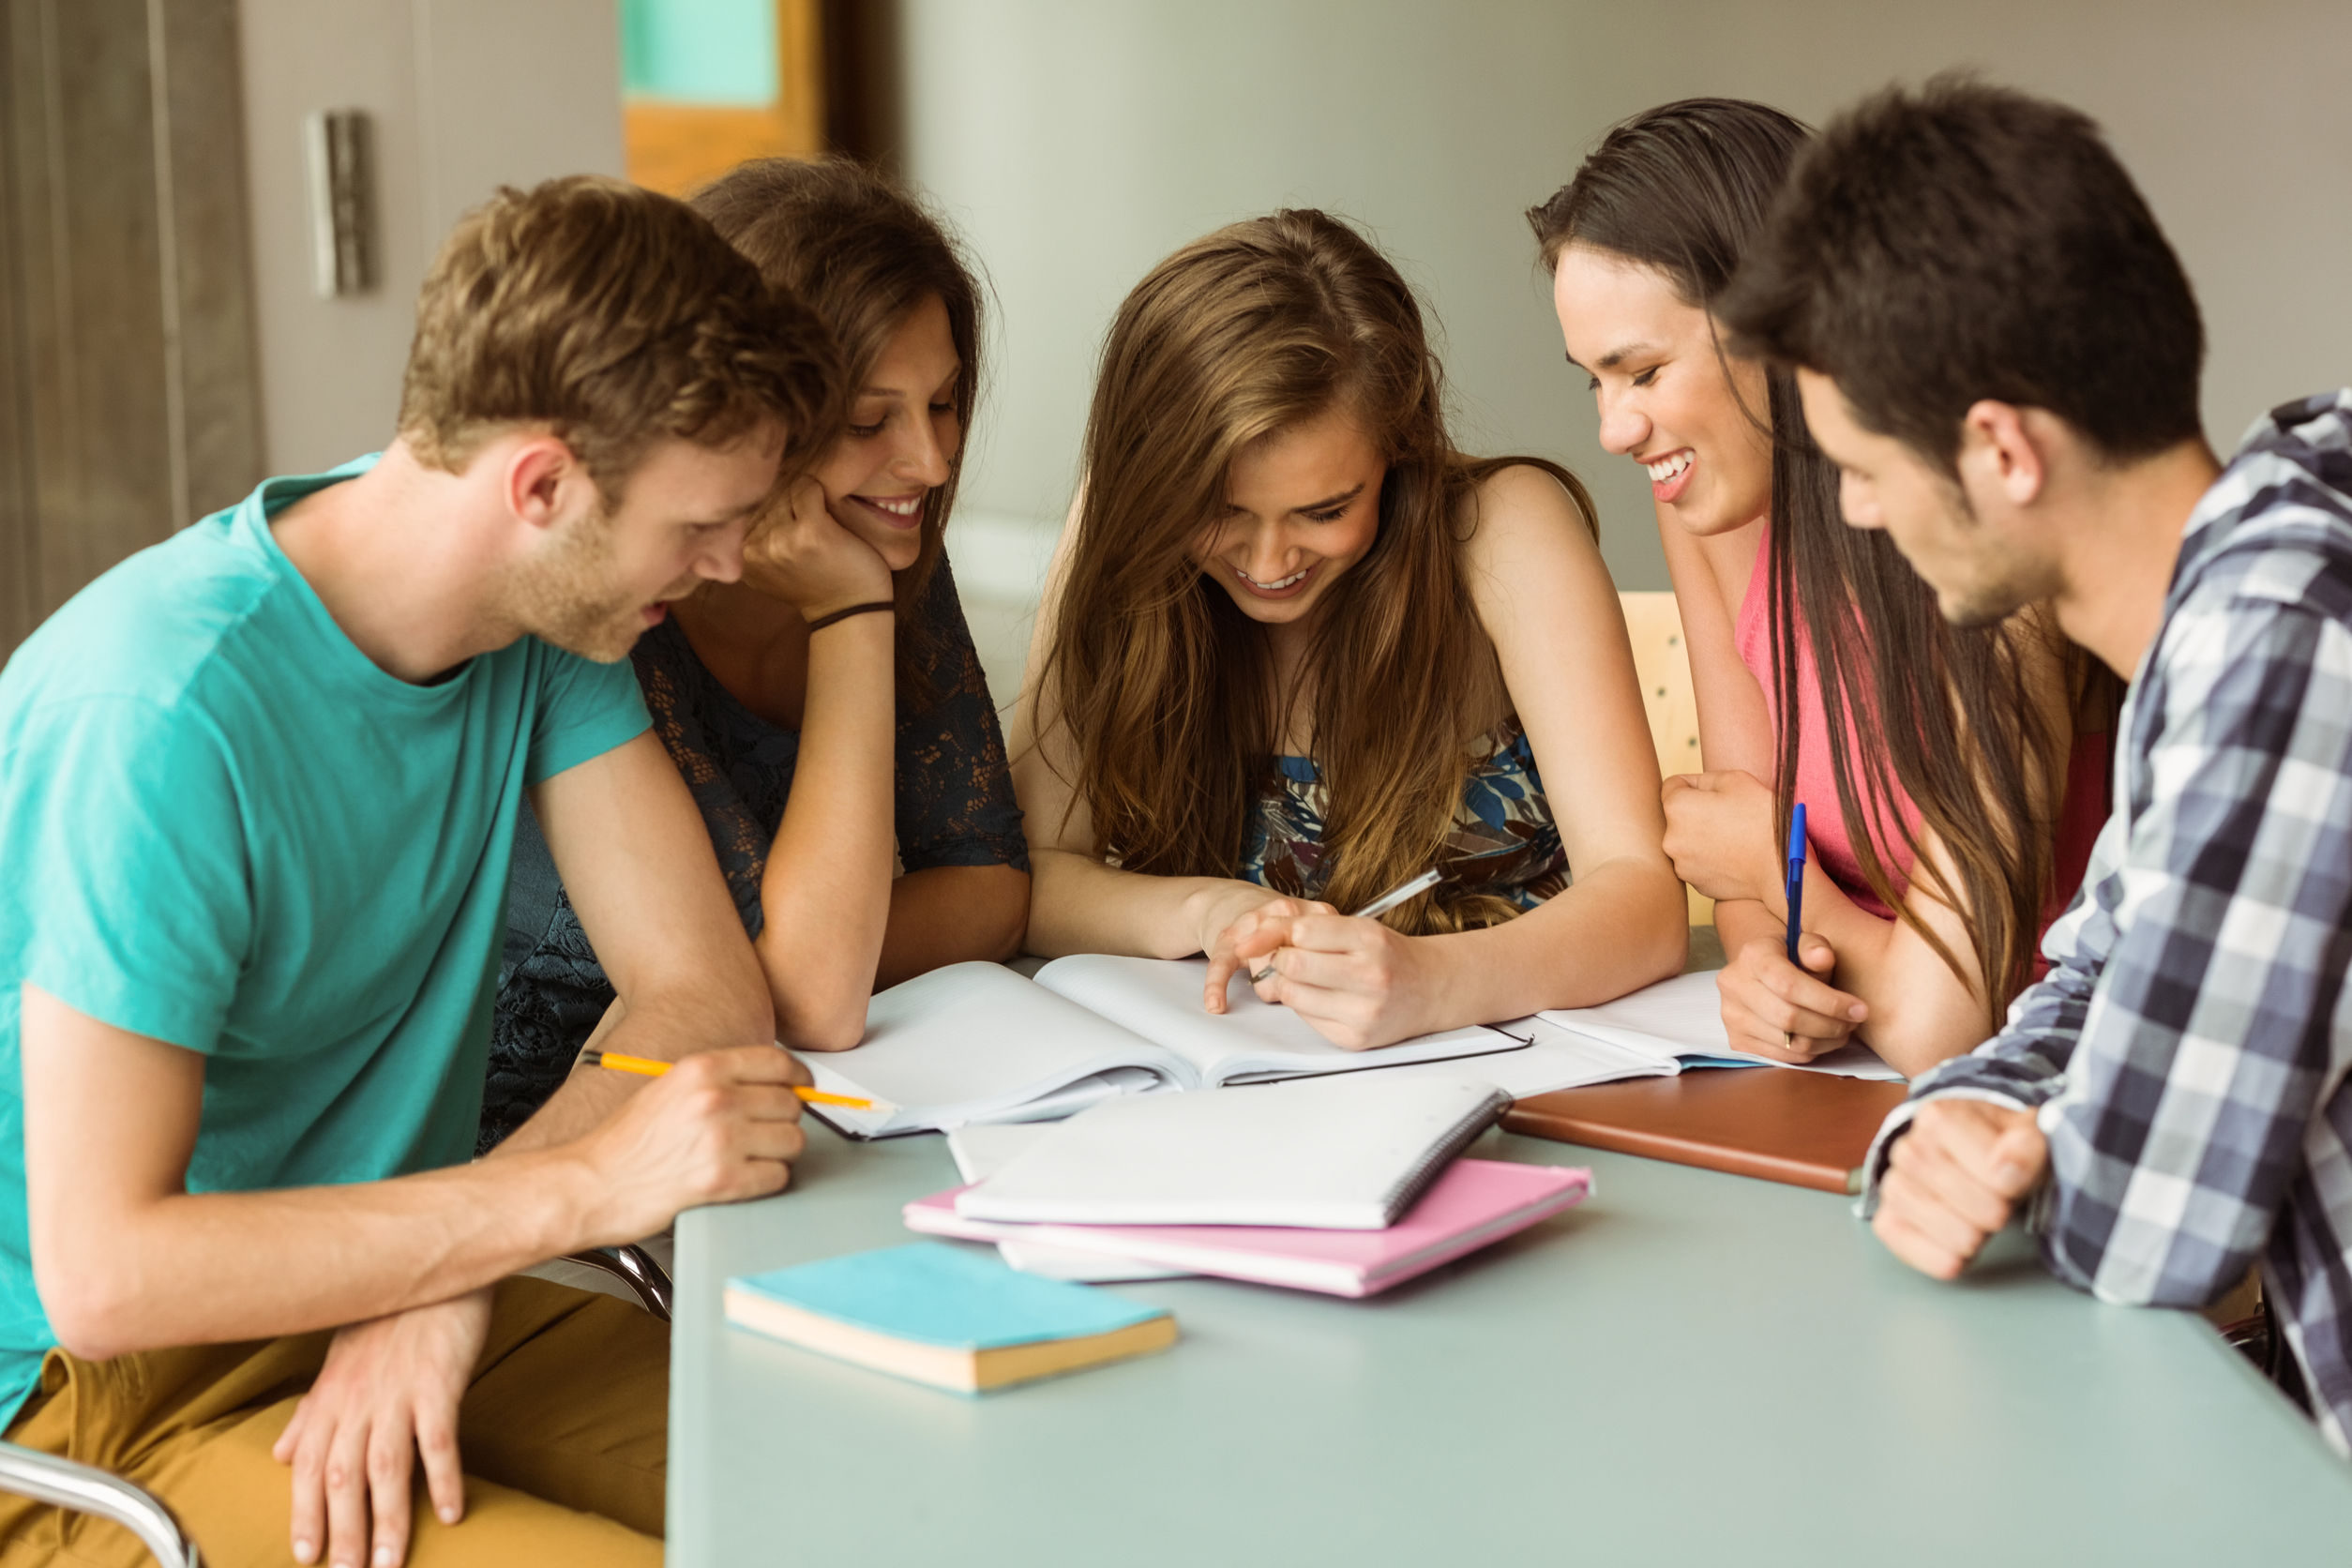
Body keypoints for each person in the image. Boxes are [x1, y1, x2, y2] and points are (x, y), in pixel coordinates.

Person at [0, 176, 835, 1566]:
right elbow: (106, 1273)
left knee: (851, 1497)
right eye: (703, 524)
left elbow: (699, 984)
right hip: (89, 1410)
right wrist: (562, 1199)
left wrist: (452, 1278)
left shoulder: (542, 629)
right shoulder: (157, 716)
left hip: (395, 1282)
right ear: (544, 483)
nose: (736, 561)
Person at [1716, 77, 2352, 1450]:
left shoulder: (2291, 638)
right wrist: (1945, 1134)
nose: (1860, 514)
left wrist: (2025, 1161)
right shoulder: (2231, 585)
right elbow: (2086, 982)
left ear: (2000, 450)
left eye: (1862, 467)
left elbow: (2152, 1219)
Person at [1531, 98, 2116, 1077]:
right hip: (1854, 1080)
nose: (1614, 429)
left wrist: (1776, 873)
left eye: (1642, 371)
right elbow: (1735, 846)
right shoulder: (1704, 504)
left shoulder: (1987, 544)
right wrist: (1767, 969)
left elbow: (1944, 1021)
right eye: (1593, 379)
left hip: (2043, 1078)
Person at [1010, 209, 1685, 1050]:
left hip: (1528, 1067)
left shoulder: (1502, 529)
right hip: (1242, 1089)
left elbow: (1644, 901)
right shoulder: (1122, 535)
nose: (1268, 560)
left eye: (1325, 510)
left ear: (1397, 452)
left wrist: (1434, 982)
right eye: (1218, 512)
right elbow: (1029, 875)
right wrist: (1207, 907)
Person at [486, 158, 1028, 1149]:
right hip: (557, 1140)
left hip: (770, 1103)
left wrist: (806, 956)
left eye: (944, 402)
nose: (931, 462)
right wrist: (851, 610)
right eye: (870, 421)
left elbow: (990, 885)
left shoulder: (880, 539)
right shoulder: (621, 611)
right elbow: (816, 995)